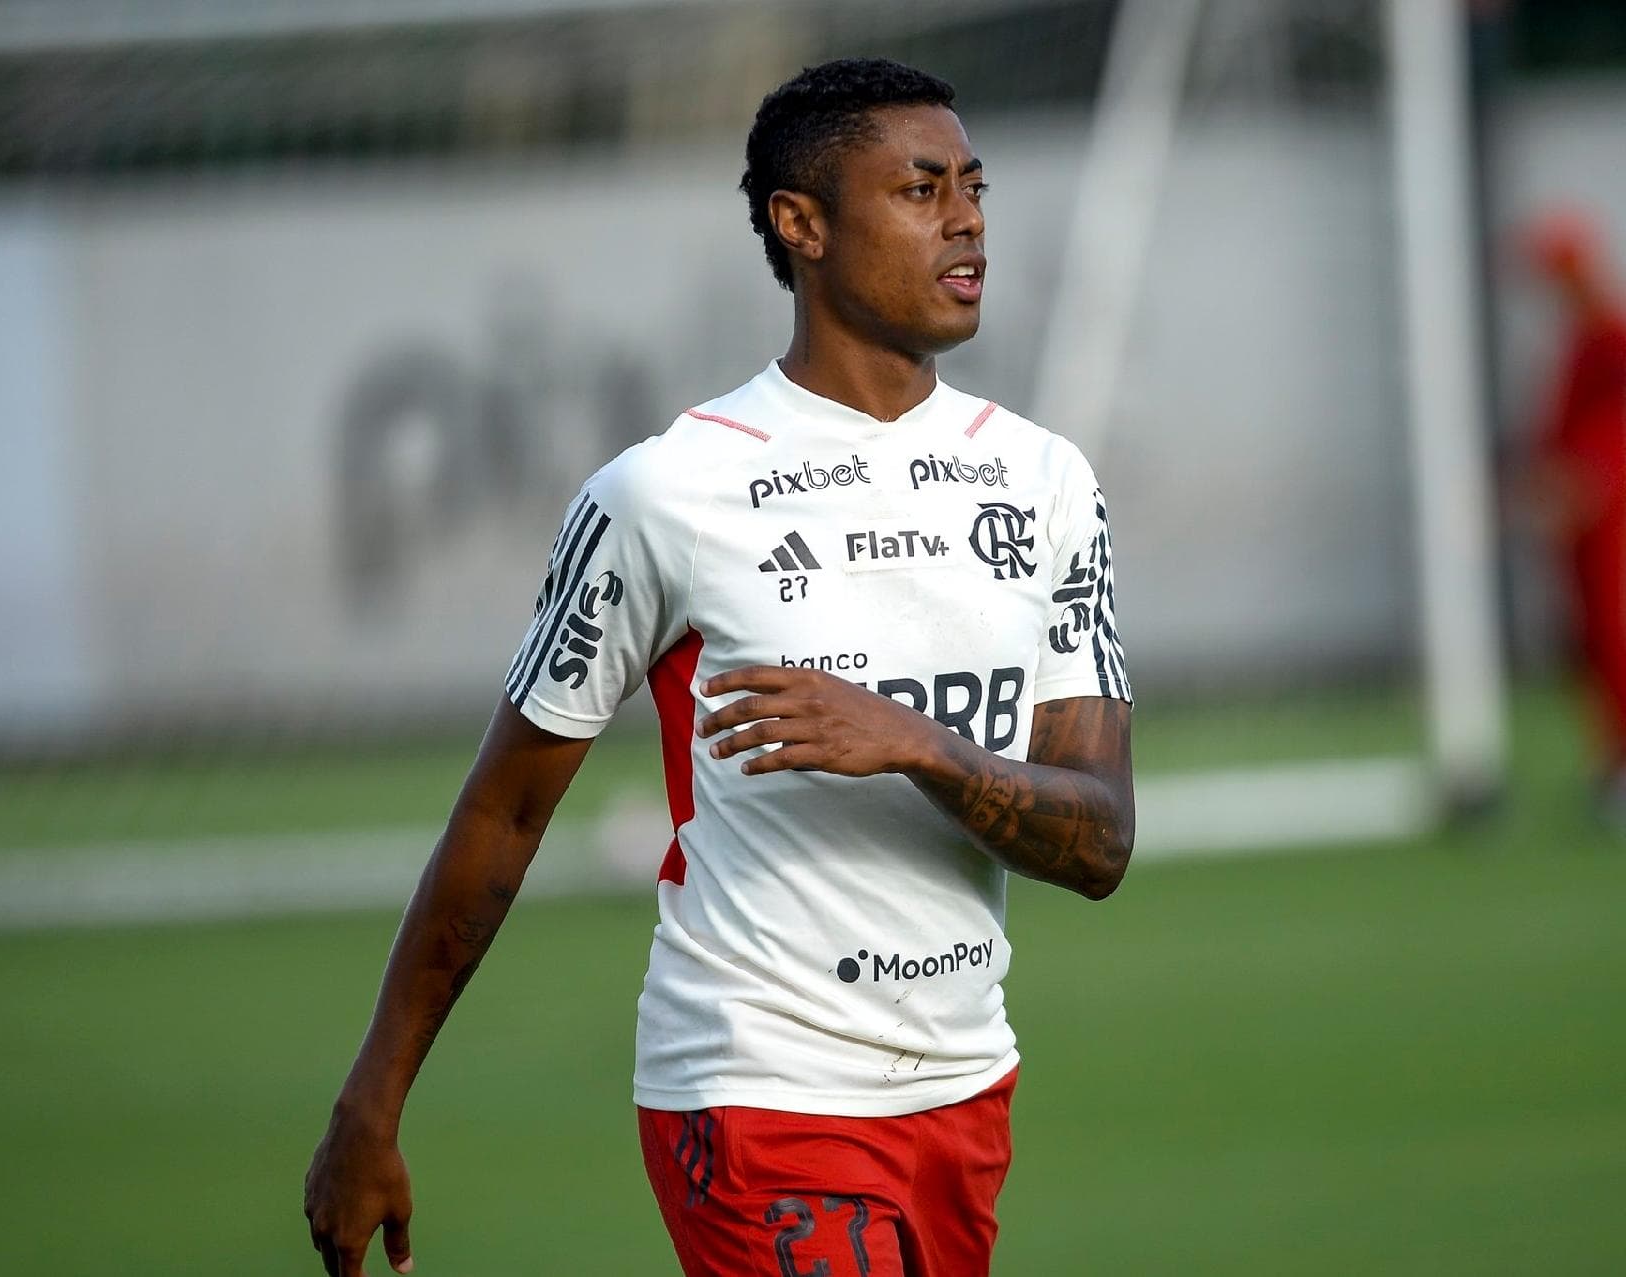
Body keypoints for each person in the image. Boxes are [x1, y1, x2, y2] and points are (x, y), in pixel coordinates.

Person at [304, 58, 1135, 1277]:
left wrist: (915, 742)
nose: (966, 219)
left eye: (973, 185)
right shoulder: (665, 493)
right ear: (801, 226)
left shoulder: (1046, 481)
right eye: (919, 189)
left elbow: (1101, 841)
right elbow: (508, 807)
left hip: (964, 1086)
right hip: (754, 1088)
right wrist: (370, 1101)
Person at [1514, 210, 1626, 819]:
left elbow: (1613, 428)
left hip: (1606, 510)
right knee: (1587, 638)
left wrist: (1590, 479)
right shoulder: (1580, 340)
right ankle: (1611, 760)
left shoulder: (1610, 336)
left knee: (1612, 631)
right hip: (1576, 513)